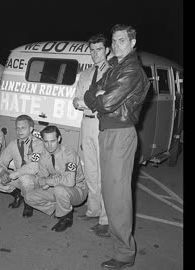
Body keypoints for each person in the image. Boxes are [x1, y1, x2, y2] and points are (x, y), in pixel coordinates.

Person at [84, 24, 150, 270]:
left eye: (122, 40)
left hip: (120, 133)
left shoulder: (131, 69)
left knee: (118, 196)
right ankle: (119, 243)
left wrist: (99, 96)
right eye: (115, 40)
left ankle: (124, 253)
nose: (118, 45)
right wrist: (97, 94)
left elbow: (107, 102)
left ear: (132, 42)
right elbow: (92, 92)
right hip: (108, 131)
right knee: (110, 195)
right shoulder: (115, 68)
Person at [72, 33, 111, 237]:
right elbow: (76, 100)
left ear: (107, 50)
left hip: (102, 124)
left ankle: (105, 218)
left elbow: (104, 101)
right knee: (90, 170)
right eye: (92, 50)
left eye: (99, 49)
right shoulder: (86, 73)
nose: (95, 54)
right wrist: (86, 101)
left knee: (104, 173)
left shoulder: (113, 72)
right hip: (86, 123)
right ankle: (93, 210)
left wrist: (87, 102)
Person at [24, 125, 88, 232]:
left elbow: (70, 181)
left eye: (52, 141)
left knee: (60, 189)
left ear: (59, 139)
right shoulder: (44, 155)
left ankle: (66, 217)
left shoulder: (68, 153)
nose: (49, 145)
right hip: (57, 187)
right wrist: (46, 181)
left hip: (78, 190)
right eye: (46, 141)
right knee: (29, 197)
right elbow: (41, 179)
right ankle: (59, 206)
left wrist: (49, 181)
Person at [0, 115, 45, 217]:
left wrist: (14, 174)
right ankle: (18, 194)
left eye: (23, 128)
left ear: (31, 129)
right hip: (18, 177)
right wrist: (3, 172)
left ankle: (29, 203)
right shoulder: (14, 144)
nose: (19, 131)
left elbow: (34, 167)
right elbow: (0, 162)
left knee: (25, 179)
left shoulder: (38, 144)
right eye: (17, 128)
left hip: (36, 180)